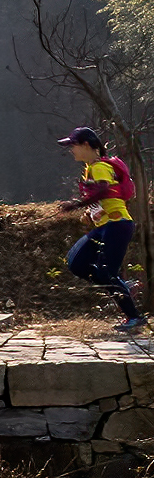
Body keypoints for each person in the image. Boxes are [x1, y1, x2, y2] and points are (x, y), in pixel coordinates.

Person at [58, 126, 142, 332]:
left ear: (87, 145)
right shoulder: (90, 168)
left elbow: (105, 189)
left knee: (105, 271)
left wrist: (76, 205)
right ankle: (123, 286)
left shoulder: (99, 167)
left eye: (73, 145)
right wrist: (91, 212)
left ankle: (134, 318)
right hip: (106, 226)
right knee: (76, 263)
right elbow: (105, 196)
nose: (71, 150)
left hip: (118, 225)